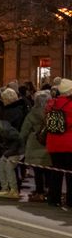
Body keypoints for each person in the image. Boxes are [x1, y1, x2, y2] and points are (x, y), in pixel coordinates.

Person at [45, 78, 72, 208]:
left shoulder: (51, 103)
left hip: (53, 143)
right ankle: (70, 200)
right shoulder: (71, 105)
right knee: (70, 174)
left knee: (56, 172)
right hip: (69, 144)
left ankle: (53, 198)